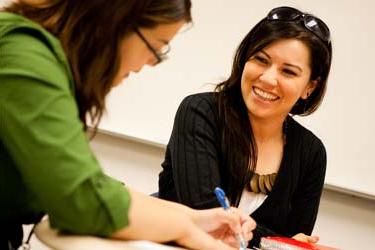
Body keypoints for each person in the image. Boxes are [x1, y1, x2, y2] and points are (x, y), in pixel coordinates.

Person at [0, 0, 256, 249]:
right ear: (115, 20)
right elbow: (82, 199)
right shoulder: (24, 53)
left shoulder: (31, 52)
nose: (148, 64)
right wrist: (185, 230)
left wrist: (195, 219)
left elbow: (91, 184)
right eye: (156, 48)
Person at [158, 6, 332, 248]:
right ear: (245, 59)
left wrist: (281, 243)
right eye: (261, 59)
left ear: (309, 87)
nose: (268, 79)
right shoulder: (200, 111)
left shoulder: (311, 152)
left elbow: (294, 243)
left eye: (288, 72)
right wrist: (271, 240)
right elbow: (205, 215)